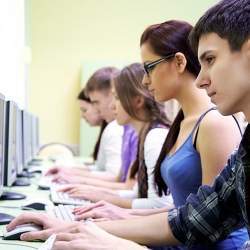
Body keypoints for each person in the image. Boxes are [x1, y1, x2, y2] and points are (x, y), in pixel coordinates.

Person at [7, 0, 250, 249]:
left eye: (210, 59)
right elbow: (192, 219)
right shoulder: (241, 151)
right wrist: (75, 227)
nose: (201, 80)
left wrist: (121, 243)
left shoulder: (214, 124)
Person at [59, 63, 173, 209]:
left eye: (117, 98)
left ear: (138, 101)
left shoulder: (155, 137)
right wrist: (99, 196)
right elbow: (137, 193)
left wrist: (104, 201)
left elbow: (159, 206)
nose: (113, 106)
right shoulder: (145, 135)